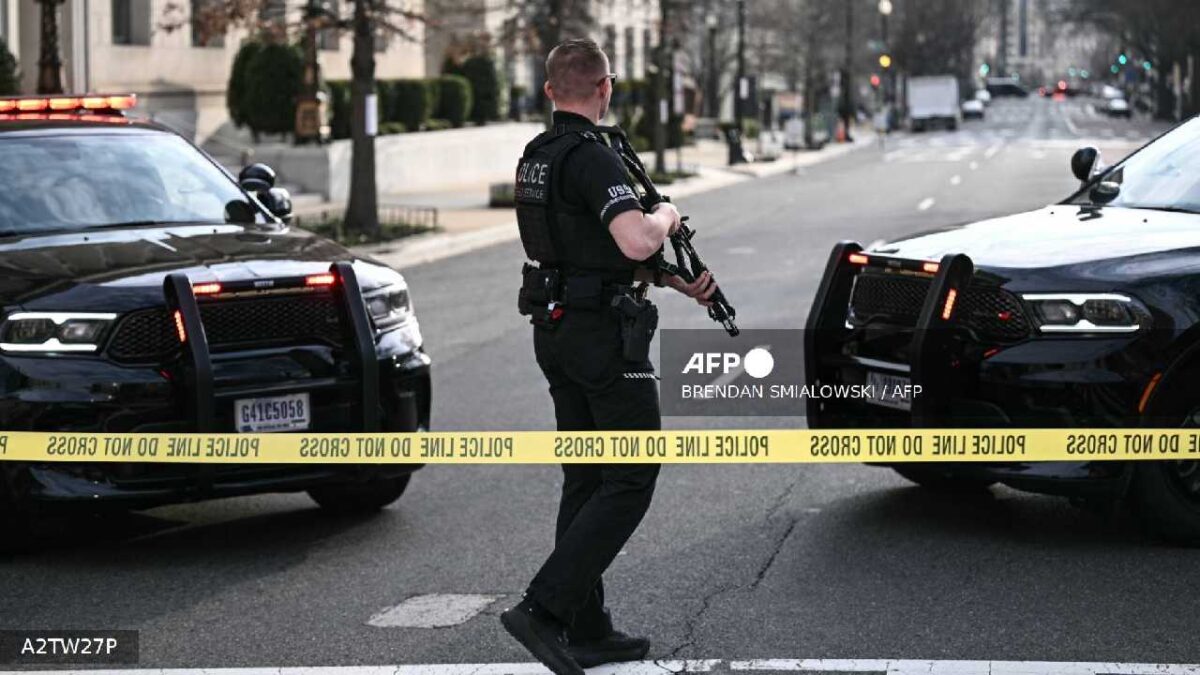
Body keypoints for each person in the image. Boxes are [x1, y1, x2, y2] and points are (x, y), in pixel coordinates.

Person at [501, 38, 716, 675]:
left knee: (588, 474)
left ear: (548, 91)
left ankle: (585, 627)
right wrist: (669, 215)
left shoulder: (536, 157)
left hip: (557, 327)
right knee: (632, 474)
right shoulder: (594, 157)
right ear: (606, 88)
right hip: (602, 337)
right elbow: (632, 235)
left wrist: (674, 281)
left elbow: (582, 249)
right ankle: (543, 610)